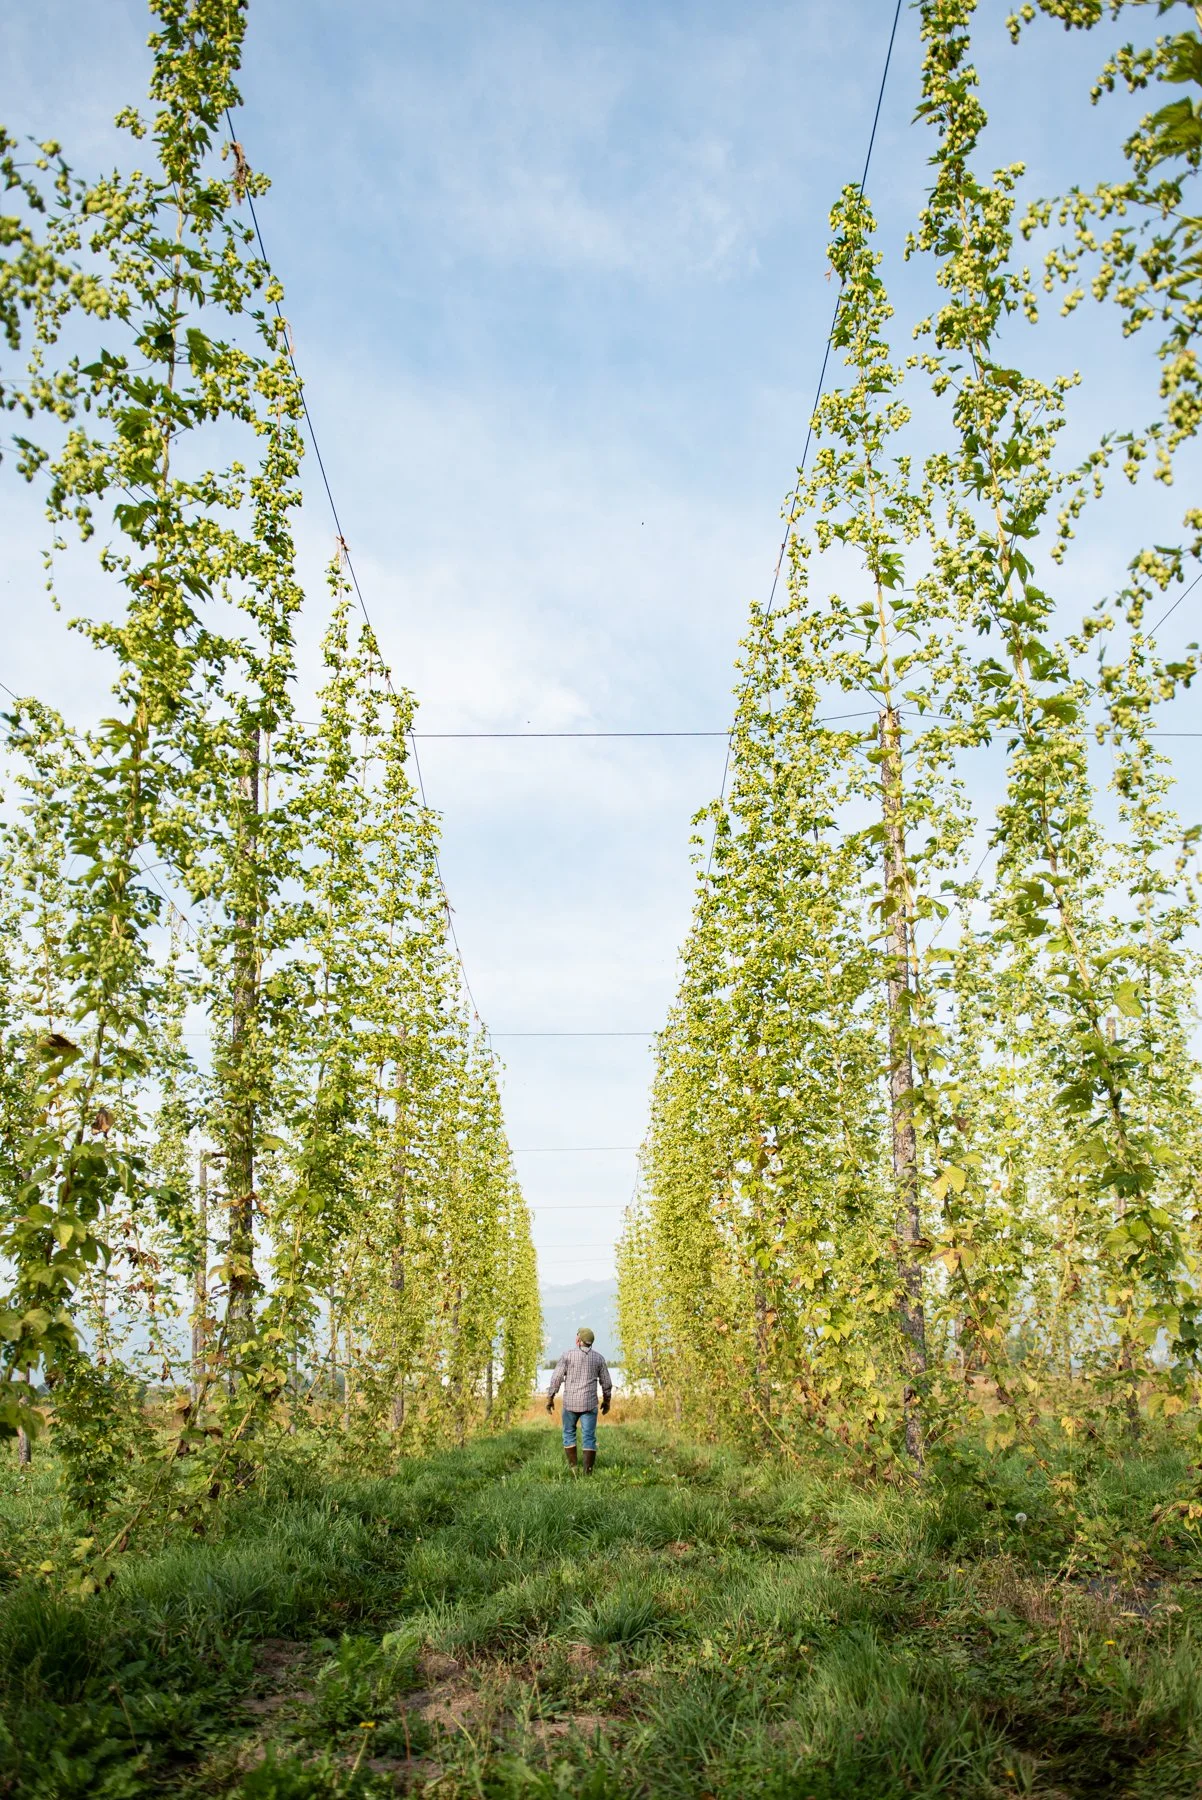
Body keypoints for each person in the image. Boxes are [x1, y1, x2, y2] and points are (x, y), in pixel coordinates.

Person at [546, 1327, 612, 1473]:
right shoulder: (599, 1358)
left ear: (578, 1340)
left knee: (569, 1433)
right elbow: (606, 1382)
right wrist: (607, 1401)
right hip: (590, 1404)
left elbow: (556, 1378)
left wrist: (550, 1397)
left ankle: (573, 1469)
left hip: (570, 1404)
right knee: (589, 1436)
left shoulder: (567, 1356)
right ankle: (587, 1472)